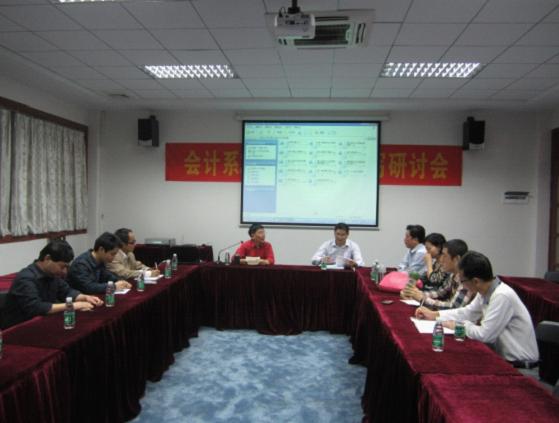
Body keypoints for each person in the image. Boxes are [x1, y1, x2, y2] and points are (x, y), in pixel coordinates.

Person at [415, 251, 539, 365]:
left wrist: (458, 326)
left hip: (521, 366)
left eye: (462, 281)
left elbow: (485, 335)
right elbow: (468, 312)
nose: (462, 285)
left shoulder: (502, 296)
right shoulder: (485, 291)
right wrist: (435, 315)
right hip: (505, 360)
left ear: (476, 281)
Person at [1, 239, 103, 329]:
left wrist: (85, 297)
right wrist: (72, 306)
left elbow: (66, 292)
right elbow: (36, 307)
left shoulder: (52, 275)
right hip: (18, 329)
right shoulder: (26, 278)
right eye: (62, 267)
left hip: (41, 324)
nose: (64, 272)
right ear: (47, 258)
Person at [403, 239, 475, 310]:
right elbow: (440, 293)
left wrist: (423, 299)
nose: (441, 260)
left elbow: (454, 307)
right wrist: (416, 293)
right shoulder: (453, 275)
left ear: (456, 259)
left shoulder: (467, 279)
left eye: (444, 256)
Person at [68, 232, 132, 294]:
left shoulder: (100, 260)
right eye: (112, 254)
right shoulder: (81, 264)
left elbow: (107, 276)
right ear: (101, 249)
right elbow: (88, 287)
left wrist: (120, 281)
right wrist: (113, 286)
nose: (114, 257)